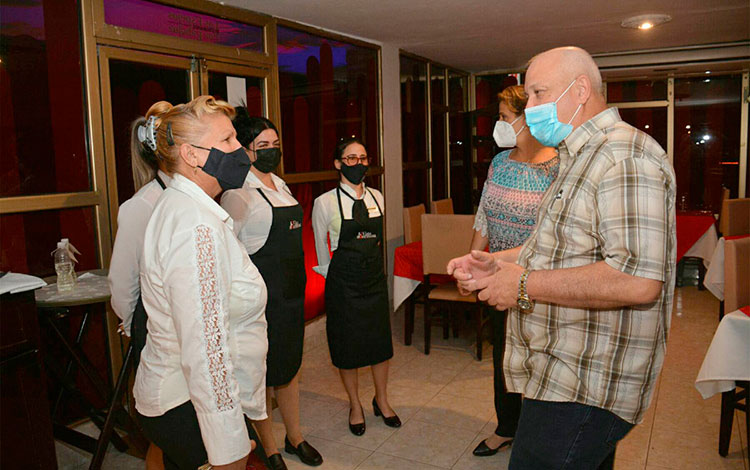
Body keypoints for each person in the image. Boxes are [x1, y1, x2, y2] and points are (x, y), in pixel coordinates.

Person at [449, 46, 676, 470]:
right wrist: (495, 263)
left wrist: (519, 284)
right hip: (561, 373)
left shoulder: (624, 156)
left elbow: (638, 281)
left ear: (580, 90)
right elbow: (559, 246)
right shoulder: (577, 158)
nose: (529, 107)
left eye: (537, 93)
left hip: (586, 382)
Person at [134, 96, 268, 470]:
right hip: (185, 403)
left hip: (180, 398)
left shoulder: (187, 207)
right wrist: (228, 447)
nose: (241, 151)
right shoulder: (195, 226)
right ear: (192, 155)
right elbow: (206, 350)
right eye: (227, 141)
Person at [221, 109, 322, 470]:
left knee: (289, 368)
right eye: (262, 145)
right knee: (260, 373)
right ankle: (270, 447)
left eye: (275, 144)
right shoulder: (238, 194)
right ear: (246, 151)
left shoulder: (280, 185)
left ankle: (295, 437)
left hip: (293, 293)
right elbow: (227, 253)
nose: (271, 150)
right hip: (261, 300)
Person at [470, 85, 558, 458]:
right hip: (497, 279)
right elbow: (483, 214)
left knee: (541, 361)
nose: (499, 124)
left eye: (505, 117)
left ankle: (540, 437)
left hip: (540, 283)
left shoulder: (558, 167)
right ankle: (507, 427)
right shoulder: (499, 163)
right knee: (505, 357)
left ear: (527, 118)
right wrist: (473, 261)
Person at [311, 137, 400, 436]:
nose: (358, 164)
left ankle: (382, 400)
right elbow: (322, 255)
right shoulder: (323, 203)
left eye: (363, 158)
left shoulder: (377, 197)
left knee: (379, 345)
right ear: (338, 164)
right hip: (343, 284)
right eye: (351, 159)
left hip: (373, 280)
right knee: (347, 348)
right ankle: (354, 405)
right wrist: (336, 282)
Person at [108, 113, 174, 470]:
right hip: (157, 330)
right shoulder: (141, 206)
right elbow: (122, 282)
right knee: (165, 431)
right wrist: (135, 324)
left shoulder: (196, 198)